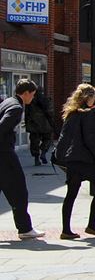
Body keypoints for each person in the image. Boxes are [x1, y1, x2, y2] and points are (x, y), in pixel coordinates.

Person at [55, 84, 95, 239]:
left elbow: (64, 137)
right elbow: (90, 139)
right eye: (94, 97)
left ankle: (66, 230)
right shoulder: (88, 115)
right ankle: (91, 225)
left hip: (72, 160)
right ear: (88, 98)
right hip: (86, 160)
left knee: (71, 194)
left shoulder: (71, 113)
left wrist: (60, 156)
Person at [0, 79, 45, 239]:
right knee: (19, 191)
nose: (33, 97)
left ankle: (25, 228)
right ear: (26, 93)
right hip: (4, 155)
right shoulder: (16, 108)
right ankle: (25, 229)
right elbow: (2, 128)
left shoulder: (7, 102)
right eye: (32, 94)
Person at [25, 86, 54, 166]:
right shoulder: (46, 100)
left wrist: (27, 123)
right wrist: (52, 123)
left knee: (34, 142)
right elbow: (50, 113)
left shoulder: (30, 101)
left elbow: (27, 113)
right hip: (45, 124)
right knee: (47, 139)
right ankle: (43, 152)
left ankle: (36, 158)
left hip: (34, 125)